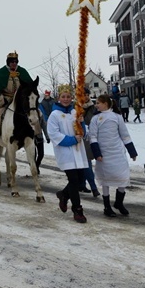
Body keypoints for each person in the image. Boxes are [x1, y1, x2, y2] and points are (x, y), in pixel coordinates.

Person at [89, 95, 138, 217]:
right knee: (105, 180)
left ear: (106, 103)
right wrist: (97, 153)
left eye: (98, 103)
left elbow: (125, 135)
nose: (96, 105)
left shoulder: (117, 117)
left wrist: (132, 151)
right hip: (104, 154)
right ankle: (107, 206)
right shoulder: (95, 119)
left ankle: (119, 203)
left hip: (117, 153)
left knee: (122, 177)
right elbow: (93, 137)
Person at [47, 83, 89, 223]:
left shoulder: (75, 111)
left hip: (79, 151)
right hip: (66, 152)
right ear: (58, 98)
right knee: (73, 180)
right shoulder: (54, 115)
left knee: (80, 180)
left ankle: (64, 195)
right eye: (63, 96)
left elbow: (83, 131)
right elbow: (54, 134)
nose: (66, 99)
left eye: (68, 96)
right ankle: (77, 210)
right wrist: (71, 140)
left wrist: (82, 124)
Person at [0, 51, 33, 143]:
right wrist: (2, 100)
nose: (14, 64)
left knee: (35, 113)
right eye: (12, 62)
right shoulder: (1, 73)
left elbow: (29, 86)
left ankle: (38, 135)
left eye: (16, 62)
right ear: (8, 62)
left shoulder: (22, 72)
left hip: (20, 100)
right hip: (5, 100)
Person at [81, 90, 101, 198]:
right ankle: (92, 187)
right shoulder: (76, 108)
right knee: (85, 163)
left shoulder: (94, 108)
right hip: (79, 138)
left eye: (87, 95)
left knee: (86, 162)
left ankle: (85, 185)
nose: (86, 97)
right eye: (84, 94)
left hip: (90, 137)